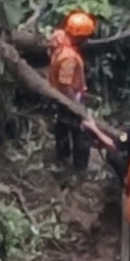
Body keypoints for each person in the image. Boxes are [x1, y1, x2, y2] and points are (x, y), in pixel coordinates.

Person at [48, 11, 97, 171]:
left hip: (56, 93)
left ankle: (61, 159)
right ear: (80, 37)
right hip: (68, 96)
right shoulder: (68, 57)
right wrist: (76, 106)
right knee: (81, 132)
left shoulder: (58, 37)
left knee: (62, 127)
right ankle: (79, 168)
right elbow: (65, 84)